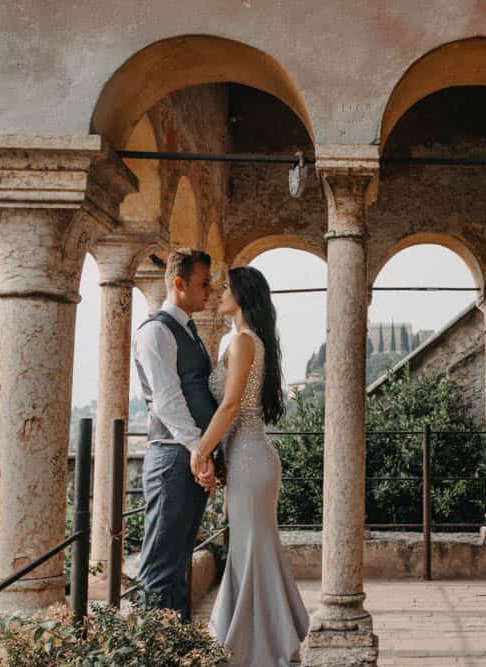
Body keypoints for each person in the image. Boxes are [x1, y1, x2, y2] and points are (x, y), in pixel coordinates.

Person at [192, 265, 309, 666]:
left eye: (226, 287)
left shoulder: (243, 341)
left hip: (250, 458)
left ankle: (259, 645)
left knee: (251, 548)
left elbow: (230, 406)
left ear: (242, 295)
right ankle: (263, 642)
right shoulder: (244, 340)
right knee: (251, 548)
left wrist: (200, 451)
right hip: (245, 456)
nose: (220, 292)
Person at [132, 248, 218, 620]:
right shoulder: (156, 332)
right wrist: (200, 450)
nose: (210, 290)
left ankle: (177, 649)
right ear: (179, 284)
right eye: (203, 282)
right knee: (160, 567)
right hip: (172, 456)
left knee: (179, 562)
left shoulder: (188, 330)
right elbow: (167, 401)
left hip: (189, 454)